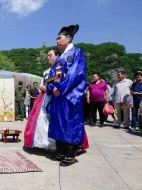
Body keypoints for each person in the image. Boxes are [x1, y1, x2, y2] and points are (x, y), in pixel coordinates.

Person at [47, 24, 87, 166]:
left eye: (60, 38)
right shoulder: (59, 58)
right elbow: (51, 76)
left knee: (71, 123)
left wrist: (60, 89)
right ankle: (62, 150)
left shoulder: (77, 53)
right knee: (59, 123)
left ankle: (71, 153)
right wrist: (51, 88)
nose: (57, 40)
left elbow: (76, 74)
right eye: (56, 38)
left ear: (68, 38)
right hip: (58, 96)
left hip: (70, 95)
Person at [24, 48, 60, 150]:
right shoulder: (46, 71)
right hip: (45, 97)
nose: (48, 57)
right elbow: (43, 83)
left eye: (50, 55)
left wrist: (47, 85)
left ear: (57, 56)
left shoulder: (60, 68)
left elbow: (60, 79)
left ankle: (56, 144)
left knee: (53, 120)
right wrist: (43, 87)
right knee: (42, 119)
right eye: (47, 56)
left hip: (55, 97)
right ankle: (43, 143)